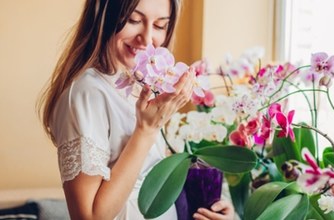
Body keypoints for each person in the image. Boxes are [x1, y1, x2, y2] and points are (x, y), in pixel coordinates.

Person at [38, 0, 235, 219]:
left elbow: (151, 180)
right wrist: (147, 129)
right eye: (134, 20)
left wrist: (210, 206)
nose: (148, 38)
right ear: (104, 16)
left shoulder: (135, 86)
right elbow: (89, 216)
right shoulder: (87, 93)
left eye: (160, 25)